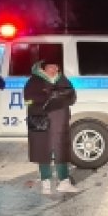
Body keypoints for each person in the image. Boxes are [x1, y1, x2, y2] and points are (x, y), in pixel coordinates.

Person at [23, 58, 79, 194]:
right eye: (50, 67)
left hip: (60, 120)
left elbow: (72, 97)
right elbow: (28, 99)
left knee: (61, 150)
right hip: (42, 120)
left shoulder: (63, 80)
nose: (54, 70)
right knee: (43, 150)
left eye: (56, 67)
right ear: (44, 68)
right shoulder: (35, 80)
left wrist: (60, 97)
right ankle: (45, 182)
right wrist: (48, 98)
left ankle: (64, 182)